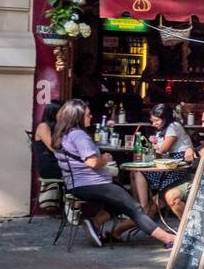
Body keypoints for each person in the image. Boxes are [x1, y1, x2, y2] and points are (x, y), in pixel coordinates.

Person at [52, 99, 175, 248]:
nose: (91, 117)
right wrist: (104, 158)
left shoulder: (63, 134)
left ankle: (95, 223)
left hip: (76, 185)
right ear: (77, 116)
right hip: (92, 185)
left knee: (122, 199)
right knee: (135, 209)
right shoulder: (79, 135)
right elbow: (92, 163)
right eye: (88, 115)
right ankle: (168, 239)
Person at [130, 103, 194, 221]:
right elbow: (158, 151)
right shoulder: (163, 129)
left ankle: (144, 208)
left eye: (156, 120)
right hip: (169, 163)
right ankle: (139, 205)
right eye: (152, 120)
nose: (154, 124)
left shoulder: (173, 127)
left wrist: (151, 145)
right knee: (134, 172)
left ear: (166, 118)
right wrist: (153, 145)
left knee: (139, 171)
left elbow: (163, 149)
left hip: (179, 166)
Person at [32, 100, 63, 182]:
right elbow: (54, 147)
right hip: (50, 165)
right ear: (53, 112)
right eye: (62, 112)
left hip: (59, 163)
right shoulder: (43, 126)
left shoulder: (57, 127)